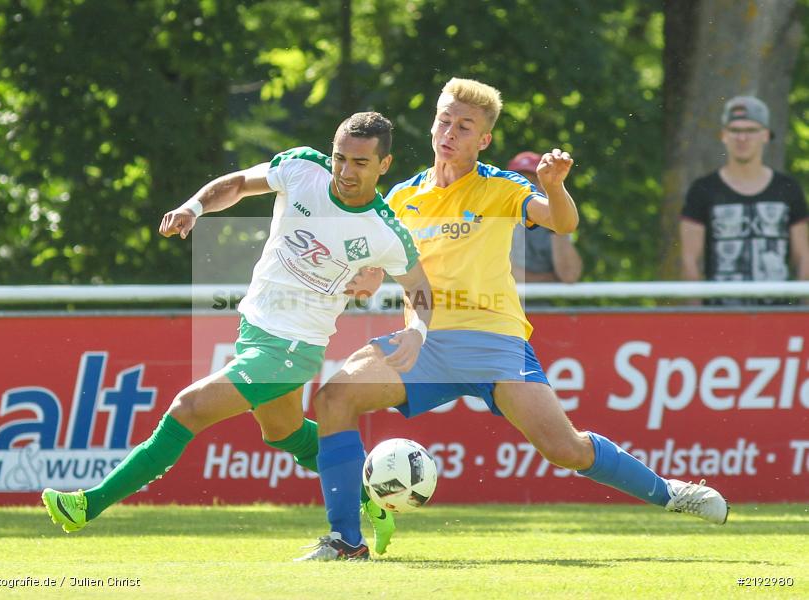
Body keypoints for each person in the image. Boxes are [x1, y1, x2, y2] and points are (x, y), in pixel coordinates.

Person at [296, 78, 729, 562]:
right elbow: (375, 264)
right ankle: (345, 541)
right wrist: (363, 277)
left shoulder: (500, 186)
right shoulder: (401, 196)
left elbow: (562, 223)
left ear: (483, 140)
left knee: (566, 449)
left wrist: (556, 187)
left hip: (492, 341)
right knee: (334, 398)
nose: (450, 132)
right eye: (444, 121)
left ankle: (671, 492)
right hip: (423, 342)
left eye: (465, 126)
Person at [40, 112, 432, 538]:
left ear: (384, 166)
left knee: (187, 409)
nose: (345, 171)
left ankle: (86, 504)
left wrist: (417, 330)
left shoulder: (384, 230)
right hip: (254, 328)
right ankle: (370, 499)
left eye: (359, 163)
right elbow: (240, 183)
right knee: (285, 434)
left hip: (293, 348)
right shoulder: (303, 168)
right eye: (340, 158)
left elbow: (420, 288)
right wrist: (194, 208)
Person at [680, 95, 809, 304]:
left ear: (765, 135)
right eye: (735, 130)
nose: (742, 138)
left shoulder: (788, 188)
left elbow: (803, 258)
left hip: (778, 316)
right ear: (724, 135)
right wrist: (698, 318)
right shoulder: (703, 190)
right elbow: (689, 261)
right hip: (721, 316)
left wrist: (803, 315)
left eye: (751, 130)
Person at [506, 151, 583, 284]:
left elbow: (569, 275)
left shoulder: (560, 219)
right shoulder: (499, 216)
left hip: (542, 303)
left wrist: (556, 225)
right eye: (519, 181)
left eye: (534, 181)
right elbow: (507, 275)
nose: (526, 188)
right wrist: (550, 280)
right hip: (504, 302)